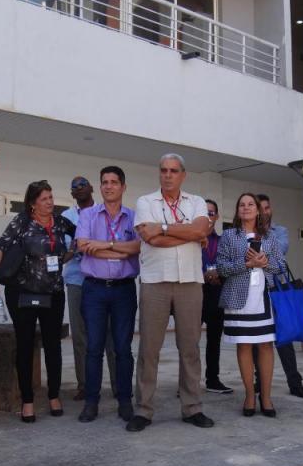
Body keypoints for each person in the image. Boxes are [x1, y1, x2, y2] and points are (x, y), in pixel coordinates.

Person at [127, 153, 215, 432]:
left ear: (183, 175)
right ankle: (143, 409)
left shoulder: (197, 202)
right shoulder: (145, 202)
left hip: (190, 281)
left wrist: (164, 228)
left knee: (189, 347)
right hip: (155, 281)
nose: (168, 175)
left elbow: (202, 229)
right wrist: (190, 234)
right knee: (149, 348)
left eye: (173, 171)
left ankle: (192, 408)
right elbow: (149, 238)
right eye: (163, 170)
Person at [0, 180, 74, 423]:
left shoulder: (61, 222)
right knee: (25, 346)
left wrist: (71, 253)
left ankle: (54, 396)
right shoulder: (22, 221)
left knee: (53, 346)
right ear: (33, 203)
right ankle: (27, 401)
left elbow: (77, 238)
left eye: (51, 197)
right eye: (44, 199)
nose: (50, 202)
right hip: (22, 293)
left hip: (53, 292)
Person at [75, 166, 140, 422]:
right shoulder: (88, 215)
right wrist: (122, 251)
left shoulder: (134, 217)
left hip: (124, 290)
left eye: (114, 182)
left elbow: (138, 247)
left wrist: (104, 245)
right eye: (104, 182)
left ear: (124, 187)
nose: (109, 186)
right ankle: (91, 402)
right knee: (94, 348)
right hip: (94, 289)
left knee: (123, 349)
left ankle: (125, 401)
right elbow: (83, 246)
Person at [217, 193, 284, 417]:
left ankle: (266, 396)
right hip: (238, 299)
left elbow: (280, 266)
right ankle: (248, 395)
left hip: (263, 298)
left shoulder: (270, 237)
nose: (246, 208)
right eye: (242, 205)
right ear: (237, 211)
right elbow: (222, 268)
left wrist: (265, 263)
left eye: (250, 204)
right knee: (243, 345)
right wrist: (247, 263)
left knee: (265, 346)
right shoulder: (228, 236)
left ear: (258, 210)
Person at [61, 176, 116, 402]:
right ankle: (85, 384)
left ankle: (118, 386)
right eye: (74, 187)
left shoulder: (106, 211)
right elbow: (64, 253)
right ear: (72, 194)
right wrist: (77, 246)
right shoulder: (66, 217)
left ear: (92, 188)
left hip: (104, 279)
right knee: (80, 336)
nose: (79, 188)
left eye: (82, 184)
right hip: (77, 281)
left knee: (111, 335)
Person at [254, 194, 303, 398]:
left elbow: (280, 250)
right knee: (256, 338)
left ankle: (295, 382)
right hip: (255, 291)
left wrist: (263, 234)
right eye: (261, 208)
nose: (265, 212)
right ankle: (259, 380)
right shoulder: (247, 231)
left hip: (277, 289)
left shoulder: (280, 231)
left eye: (267, 208)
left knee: (284, 337)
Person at [201, 199, 233, 394]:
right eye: (204, 213)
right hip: (194, 292)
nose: (208, 217)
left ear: (217, 216)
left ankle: (212, 379)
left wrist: (218, 274)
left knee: (214, 340)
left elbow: (229, 265)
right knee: (187, 343)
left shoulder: (222, 242)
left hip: (216, 293)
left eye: (211, 213)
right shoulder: (190, 241)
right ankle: (186, 383)